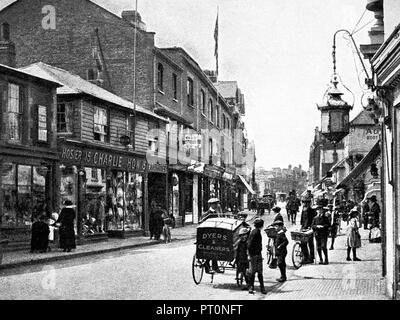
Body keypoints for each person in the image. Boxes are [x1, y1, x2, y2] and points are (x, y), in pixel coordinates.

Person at [247, 218, 266, 294]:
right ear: (261, 225)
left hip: (256, 254)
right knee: (257, 272)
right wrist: (250, 255)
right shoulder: (256, 233)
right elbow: (250, 245)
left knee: (254, 272)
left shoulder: (255, 231)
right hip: (255, 255)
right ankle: (259, 287)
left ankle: (253, 287)